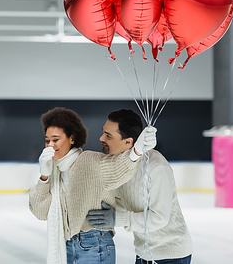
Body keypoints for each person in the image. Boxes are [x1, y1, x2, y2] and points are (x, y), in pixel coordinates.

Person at [29, 107, 157, 264]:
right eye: (47, 140)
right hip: (68, 244)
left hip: (93, 244)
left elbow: (118, 168)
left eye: (56, 140)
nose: (50, 145)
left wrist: (137, 150)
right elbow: (40, 212)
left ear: (72, 139)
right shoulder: (55, 172)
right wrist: (44, 176)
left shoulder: (88, 160)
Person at [86, 109, 192, 264]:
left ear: (128, 141)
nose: (101, 138)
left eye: (108, 135)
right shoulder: (117, 166)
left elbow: (159, 218)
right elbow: (123, 202)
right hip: (143, 255)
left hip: (171, 256)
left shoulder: (156, 167)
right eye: (103, 132)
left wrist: (117, 218)